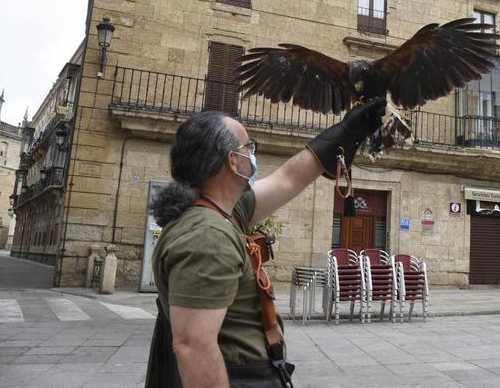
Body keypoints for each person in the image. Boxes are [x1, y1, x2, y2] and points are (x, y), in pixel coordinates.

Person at [145, 98, 386, 388]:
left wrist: (346, 130)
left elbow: (287, 179)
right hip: (237, 378)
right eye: (249, 147)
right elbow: (193, 347)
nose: (253, 154)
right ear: (232, 161)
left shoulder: (223, 211)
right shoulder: (206, 236)